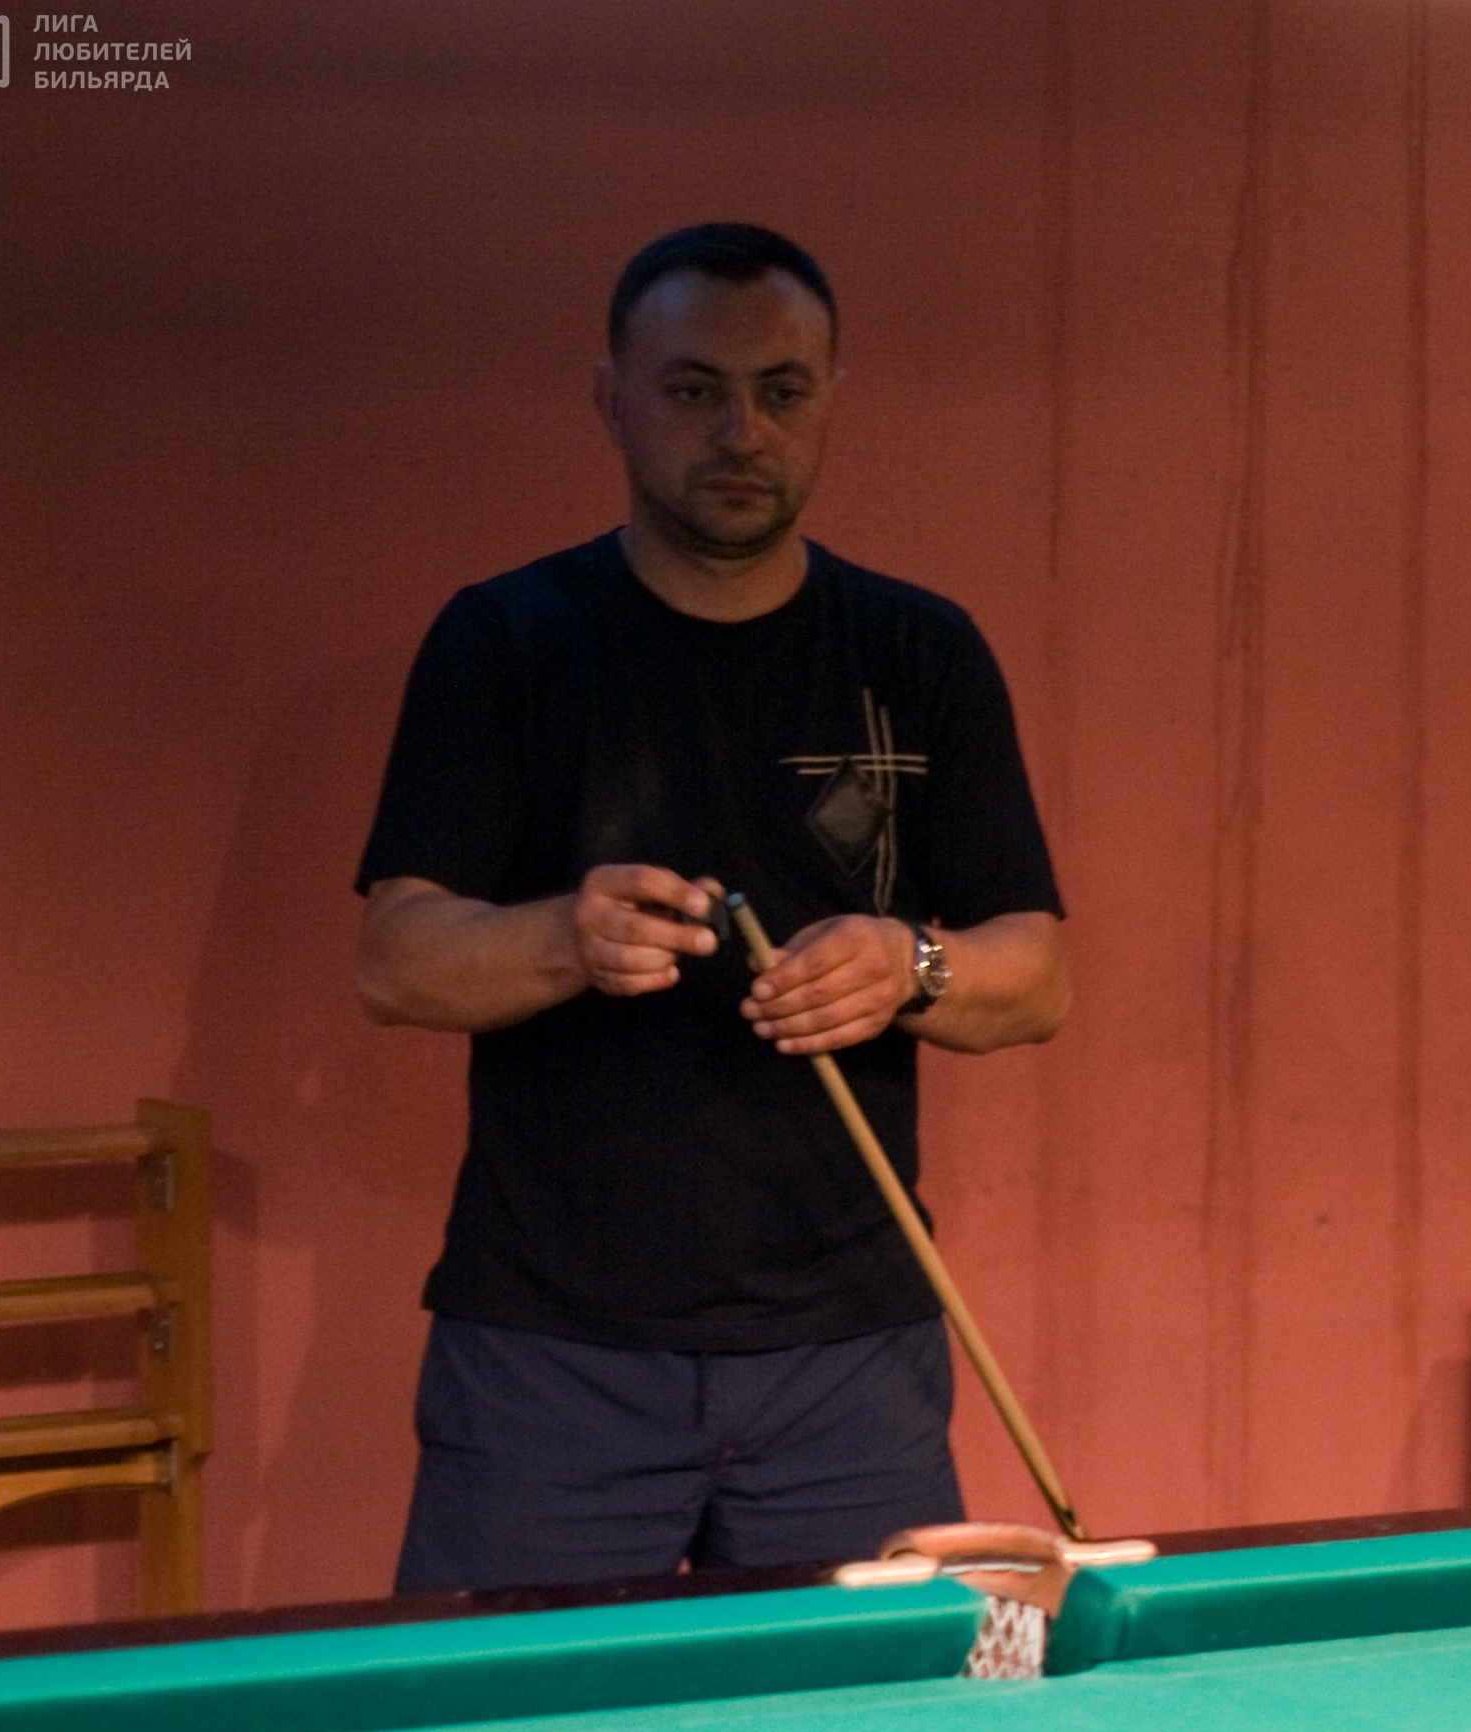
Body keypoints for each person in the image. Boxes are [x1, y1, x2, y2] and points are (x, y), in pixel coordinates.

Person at [356, 223, 1069, 1591]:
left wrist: (910, 964)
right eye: (694, 390)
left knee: (877, 1721)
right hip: (552, 1358)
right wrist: (560, 936)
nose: (742, 431)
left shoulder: (921, 649)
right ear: (613, 401)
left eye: (781, 392)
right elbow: (393, 961)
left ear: (829, 405)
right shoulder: (505, 639)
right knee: (516, 1720)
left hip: (851, 1359)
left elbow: (1036, 976)